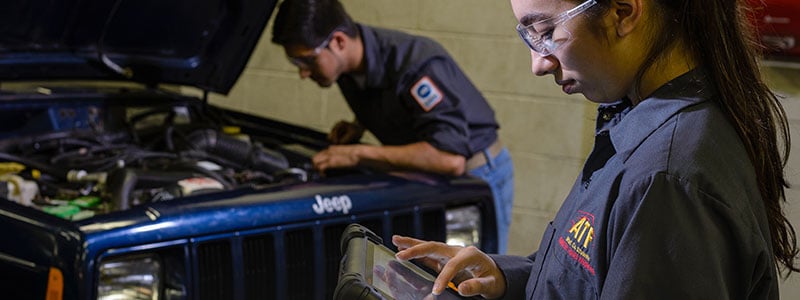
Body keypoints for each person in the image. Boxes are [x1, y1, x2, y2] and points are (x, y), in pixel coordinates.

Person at [392, 0, 800, 298]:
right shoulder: (631, 119)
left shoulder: (668, 177)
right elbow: (586, 272)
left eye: (547, 32)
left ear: (623, 12)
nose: (538, 63)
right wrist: (503, 275)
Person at [271, 0, 515, 253]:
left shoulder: (415, 66)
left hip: (476, 172)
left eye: (307, 61)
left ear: (339, 42)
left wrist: (356, 154)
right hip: (424, 177)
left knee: (471, 279)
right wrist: (359, 125)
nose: (303, 73)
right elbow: (392, 100)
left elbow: (450, 159)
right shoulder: (348, 66)